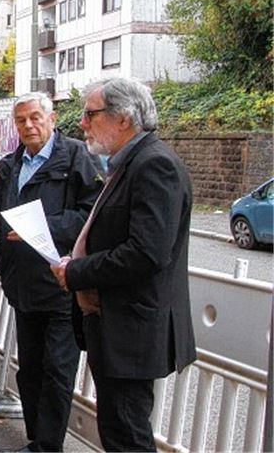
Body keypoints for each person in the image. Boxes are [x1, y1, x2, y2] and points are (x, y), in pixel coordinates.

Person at [51, 78, 196, 452]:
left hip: (131, 329)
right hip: (115, 324)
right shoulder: (128, 163)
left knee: (127, 436)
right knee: (118, 429)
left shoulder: (154, 165)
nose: (82, 123)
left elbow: (147, 253)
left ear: (124, 119)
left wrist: (77, 271)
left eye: (90, 113)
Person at [0, 92, 103, 452]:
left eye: (35, 117)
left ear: (52, 119)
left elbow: (92, 213)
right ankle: (36, 439)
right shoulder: (11, 164)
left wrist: (45, 227)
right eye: (21, 120)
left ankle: (48, 445)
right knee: (31, 370)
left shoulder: (75, 157)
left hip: (60, 283)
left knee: (58, 370)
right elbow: (0, 217)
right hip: (22, 282)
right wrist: (2, 260)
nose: (28, 125)